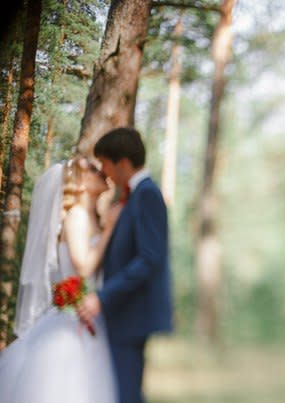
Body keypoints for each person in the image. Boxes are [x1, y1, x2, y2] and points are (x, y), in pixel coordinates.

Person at [0, 156, 122, 403]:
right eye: (93, 169)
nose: (102, 172)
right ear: (81, 182)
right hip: (71, 321)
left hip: (93, 316)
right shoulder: (76, 216)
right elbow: (85, 266)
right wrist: (110, 230)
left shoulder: (93, 218)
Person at [77, 127, 173, 403]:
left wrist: (102, 297)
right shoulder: (133, 195)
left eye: (105, 163)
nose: (104, 171)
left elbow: (149, 259)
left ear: (123, 162)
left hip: (133, 314)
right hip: (122, 315)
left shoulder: (147, 195)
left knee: (127, 394)